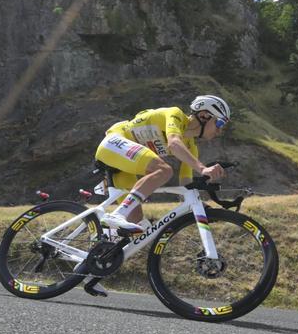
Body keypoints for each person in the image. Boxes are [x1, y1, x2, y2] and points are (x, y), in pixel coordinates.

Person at [94, 95, 229, 235]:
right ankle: (116, 215)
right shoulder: (175, 115)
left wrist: (201, 208)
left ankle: (101, 247)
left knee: (136, 222)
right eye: (219, 123)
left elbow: (186, 185)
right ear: (204, 115)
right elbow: (173, 143)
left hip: (123, 165)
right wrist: (202, 168)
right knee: (164, 170)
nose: (219, 131)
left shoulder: (190, 147)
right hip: (114, 142)